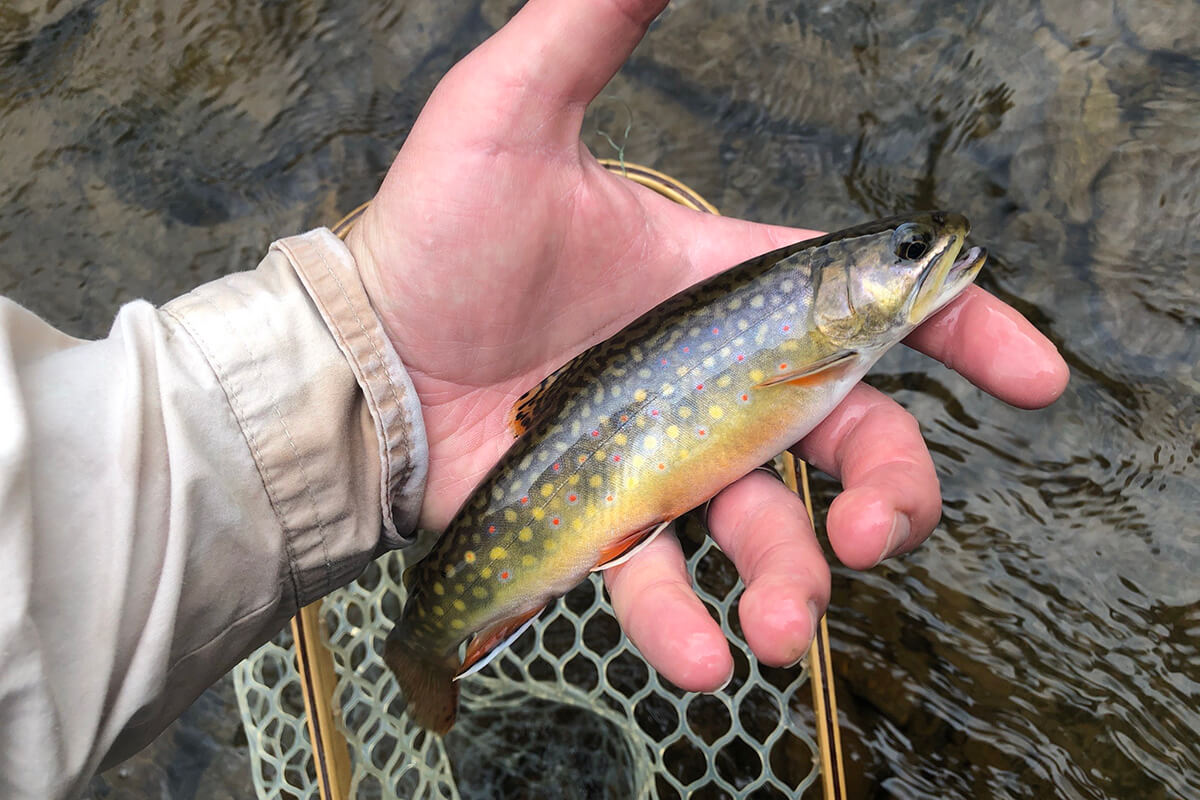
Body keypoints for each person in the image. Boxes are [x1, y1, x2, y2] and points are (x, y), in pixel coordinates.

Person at [0, 0, 1068, 796]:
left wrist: (365, 343)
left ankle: (429, 637)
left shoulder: (822, 333)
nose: (933, 252)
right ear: (842, 284)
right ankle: (428, 640)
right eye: (909, 250)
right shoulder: (809, 330)